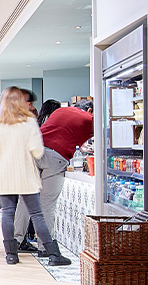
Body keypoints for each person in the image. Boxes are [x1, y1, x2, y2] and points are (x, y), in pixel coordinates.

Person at [0, 86, 71, 266]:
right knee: (37, 214)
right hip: (25, 175)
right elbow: (38, 151)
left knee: (8, 213)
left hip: (3, 176)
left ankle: (11, 254)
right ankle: (52, 253)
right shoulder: (29, 123)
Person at [13, 99, 95, 252]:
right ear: (90, 110)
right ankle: (45, 247)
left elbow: (56, 132)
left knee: (25, 200)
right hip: (56, 157)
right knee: (46, 204)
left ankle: (15, 240)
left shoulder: (59, 111)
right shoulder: (90, 119)